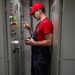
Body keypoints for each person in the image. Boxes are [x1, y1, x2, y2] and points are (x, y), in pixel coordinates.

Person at [23, 2, 53, 75]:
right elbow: (37, 37)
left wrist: (33, 43)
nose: (33, 16)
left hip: (41, 55)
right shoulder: (40, 23)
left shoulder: (46, 23)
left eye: (34, 13)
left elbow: (49, 42)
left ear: (39, 11)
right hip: (37, 54)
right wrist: (29, 29)